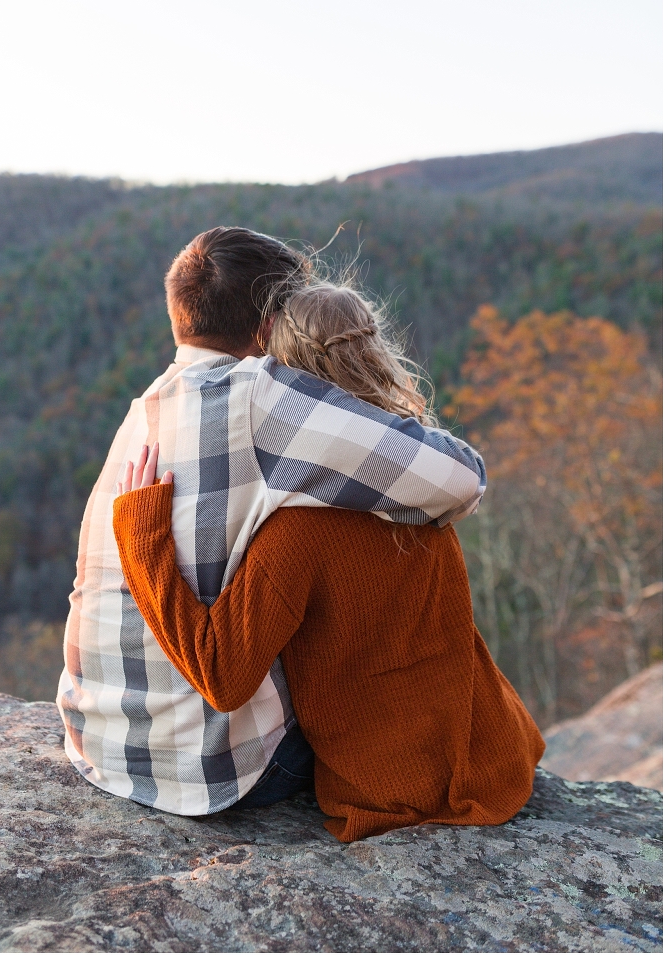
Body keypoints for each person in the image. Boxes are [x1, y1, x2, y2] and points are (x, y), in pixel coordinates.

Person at [57, 228, 486, 816]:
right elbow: (459, 480)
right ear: (267, 327)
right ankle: (436, 749)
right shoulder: (263, 396)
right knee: (397, 528)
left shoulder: (146, 408)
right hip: (221, 768)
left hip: (102, 741)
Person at [112, 283, 544, 842]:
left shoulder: (298, 533)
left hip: (393, 785)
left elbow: (221, 675)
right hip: (497, 751)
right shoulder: (419, 484)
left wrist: (142, 540)